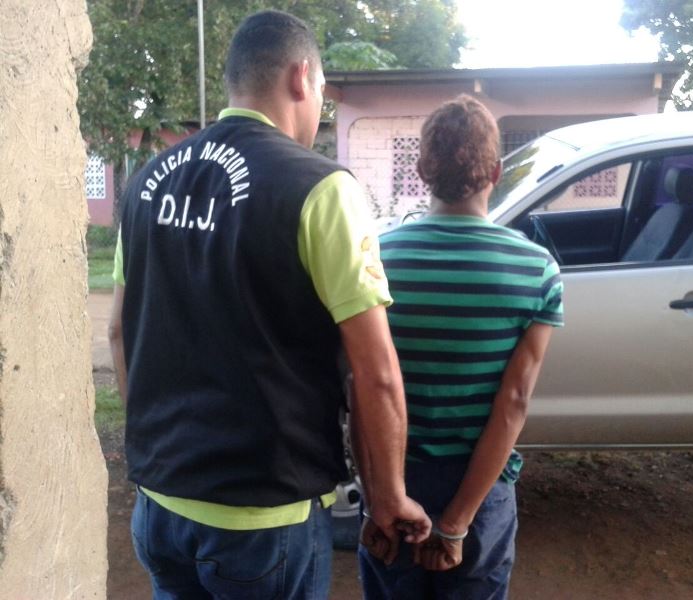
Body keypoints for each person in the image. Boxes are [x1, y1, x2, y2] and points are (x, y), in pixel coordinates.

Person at [108, 10, 429, 599]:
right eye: (323, 91)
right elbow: (375, 372)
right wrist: (387, 498)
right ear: (302, 77)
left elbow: (118, 332)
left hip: (160, 507)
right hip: (263, 518)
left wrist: (160, 454)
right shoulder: (320, 188)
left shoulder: (146, 183)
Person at [358, 95, 564, 599]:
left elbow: (360, 388)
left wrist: (376, 497)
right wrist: (457, 522)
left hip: (394, 480)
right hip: (482, 491)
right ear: (496, 172)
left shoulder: (375, 259)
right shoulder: (538, 270)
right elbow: (514, 402)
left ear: (421, 171)